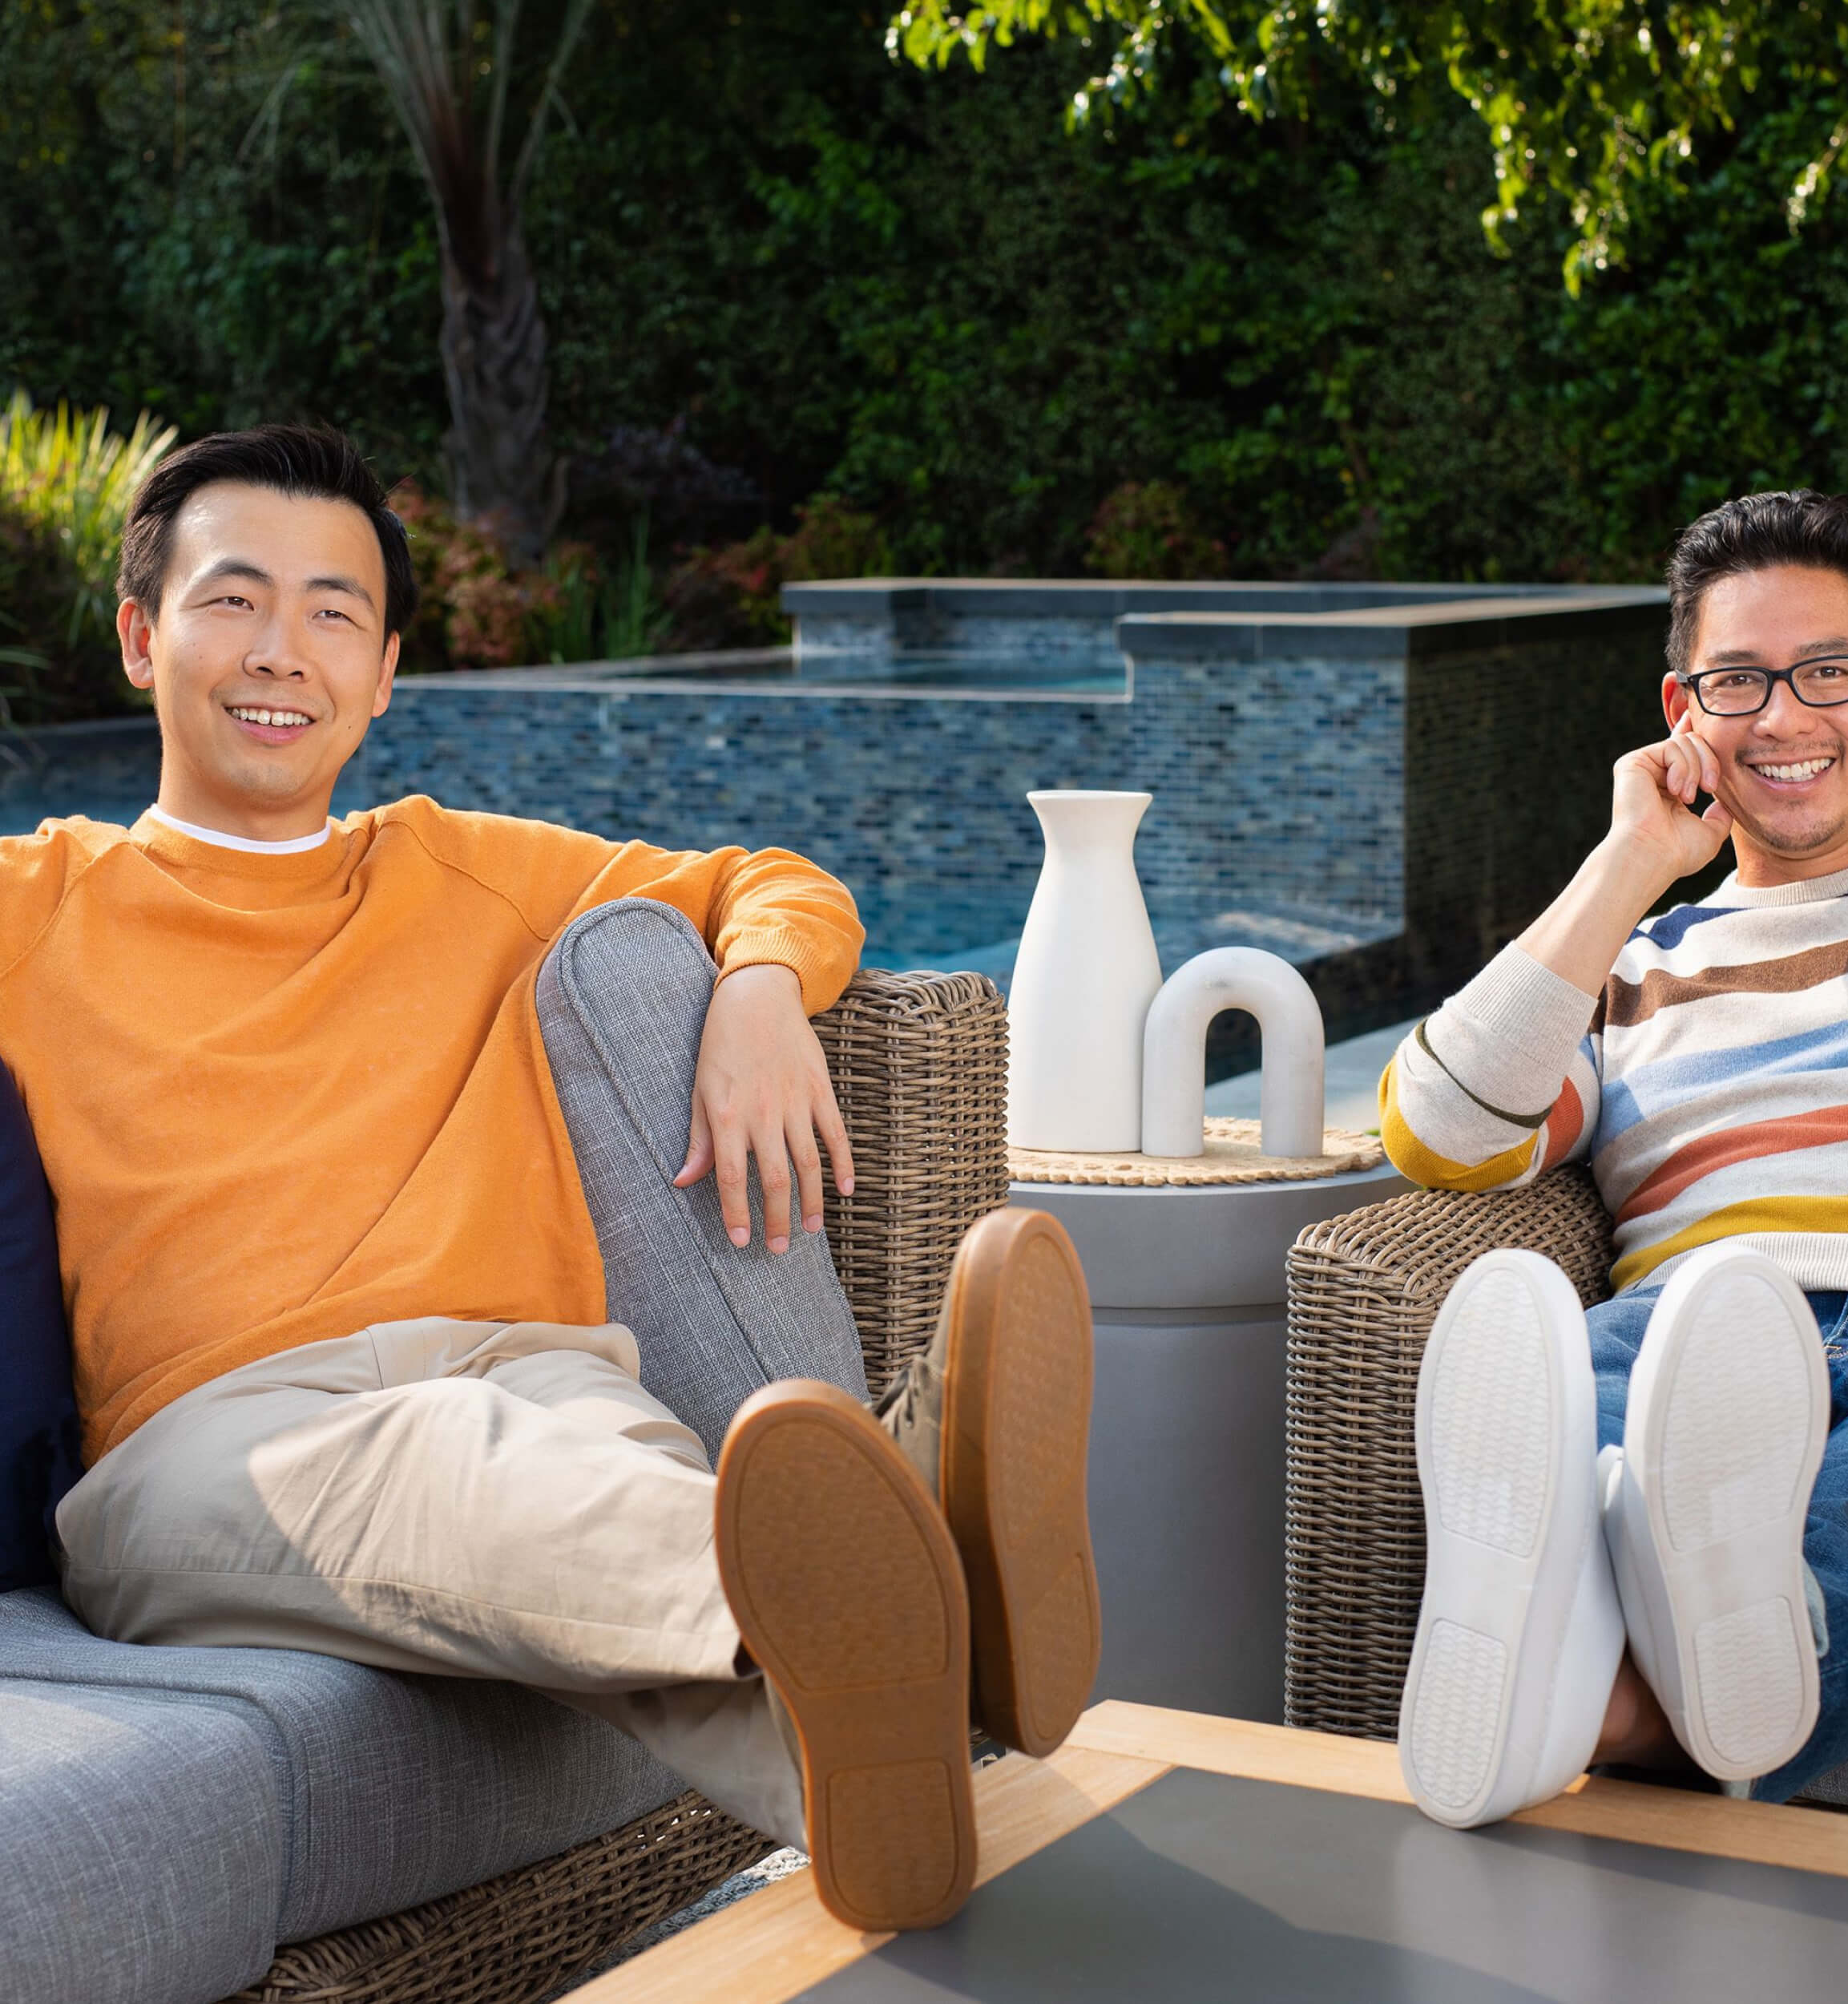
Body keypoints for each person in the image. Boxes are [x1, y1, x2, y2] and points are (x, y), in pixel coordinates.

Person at [16, 424, 1100, 1933]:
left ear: (384, 673)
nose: (281, 652)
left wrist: (763, 991)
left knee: (598, 1480)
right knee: (468, 1471)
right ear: (141, 638)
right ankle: (918, 1535)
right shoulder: (35, 903)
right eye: (232, 601)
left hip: (534, 1371)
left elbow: (772, 881)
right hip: (209, 1440)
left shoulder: (462, 867)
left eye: (333, 613)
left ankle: (880, 1766)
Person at [1382, 489, 1848, 1828]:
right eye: (1737, 682)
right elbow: (1438, 1129)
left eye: (1825, 672)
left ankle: (1608, 1690)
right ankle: (1687, 1614)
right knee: (1573, 1411)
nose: (1780, 718)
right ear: (1682, 711)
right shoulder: (1628, 968)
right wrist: (1629, 863)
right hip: (1679, 1340)